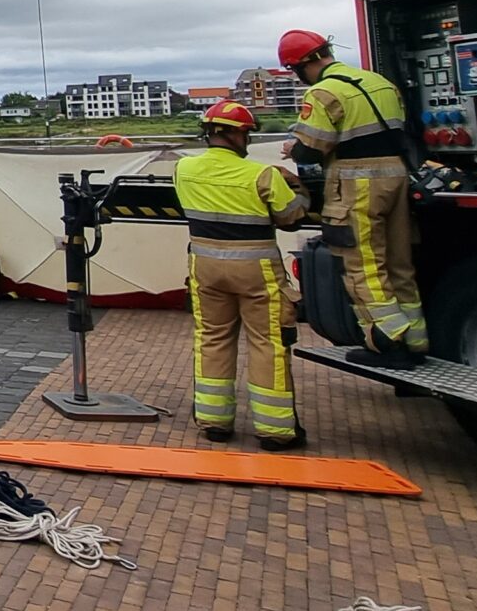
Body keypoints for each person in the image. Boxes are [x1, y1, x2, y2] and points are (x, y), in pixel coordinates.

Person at [281, 29, 426, 369]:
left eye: (294, 70)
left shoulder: (324, 92)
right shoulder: (378, 82)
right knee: (398, 261)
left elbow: (314, 147)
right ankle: (417, 339)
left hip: (357, 182)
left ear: (305, 64)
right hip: (397, 175)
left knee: (364, 264)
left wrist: (293, 148)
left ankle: (387, 341)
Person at [174, 100, 310, 447]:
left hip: (205, 267)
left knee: (212, 338)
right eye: (245, 133)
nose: (247, 140)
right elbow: (291, 216)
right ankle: (276, 430)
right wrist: (298, 186)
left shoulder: (183, 170)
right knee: (268, 342)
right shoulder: (262, 175)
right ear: (230, 133)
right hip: (256, 270)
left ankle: (214, 422)